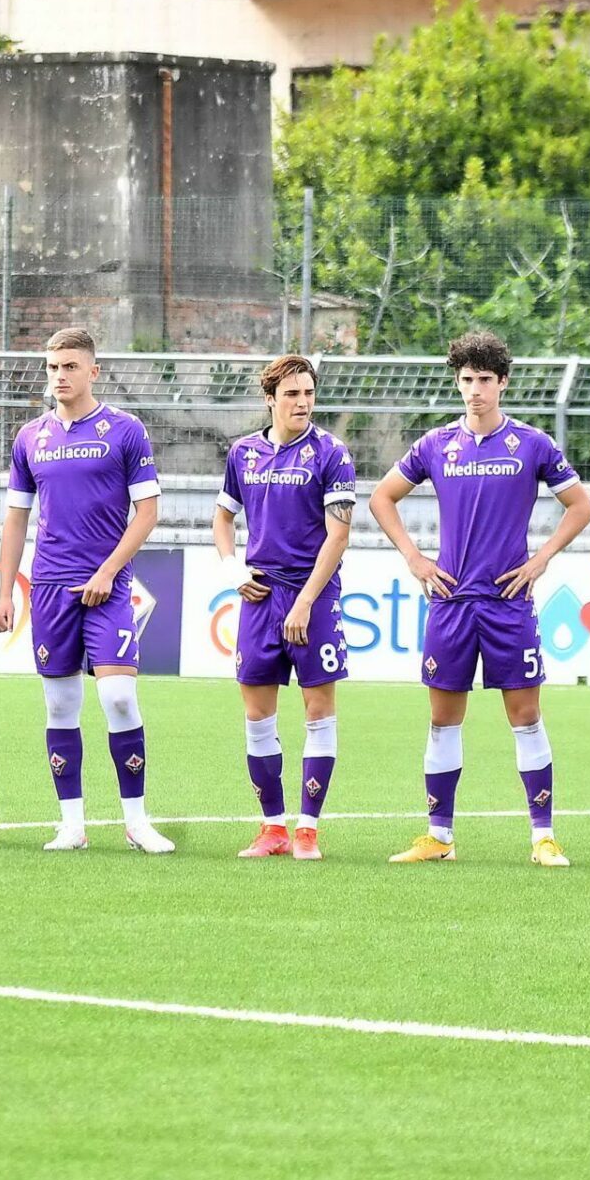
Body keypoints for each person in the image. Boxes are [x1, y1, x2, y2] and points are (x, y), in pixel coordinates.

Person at [369, 331, 590, 867]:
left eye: (485, 380)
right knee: (443, 719)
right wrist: (415, 559)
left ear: (503, 383)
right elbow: (381, 498)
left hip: (507, 603)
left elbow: (581, 506)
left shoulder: (532, 445)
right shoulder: (435, 445)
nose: (475, 391)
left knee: (526, 715)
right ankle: (439, 836)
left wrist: (540, 561)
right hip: (450, 603)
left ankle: (543, 836)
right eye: (466, 380)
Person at [0, 327, 176, 854]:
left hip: (108, 587)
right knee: (60, 706)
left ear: (93, 371)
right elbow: (14, 518)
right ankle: (71, 824)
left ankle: (137, 821)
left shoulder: (125, 431)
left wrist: (107, 571)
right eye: (53, 367)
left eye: (70, 366)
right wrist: (6, 591)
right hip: (50, 587)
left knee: (119, 698)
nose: (60, 376)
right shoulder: (30, 437)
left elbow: (147, 513)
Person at [211, 354, 355, 860]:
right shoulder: (243, 453)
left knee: (319, 712)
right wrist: (233, 571)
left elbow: (338, 534)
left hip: (312, 598)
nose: (303, 402)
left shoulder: (331, 452)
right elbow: (223, 520)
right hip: (260, 597)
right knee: (257, 716)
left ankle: (308, 830)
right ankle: (272, 827)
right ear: (269, 399)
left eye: (309, 393)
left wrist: (307, 602)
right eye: (292, 394)